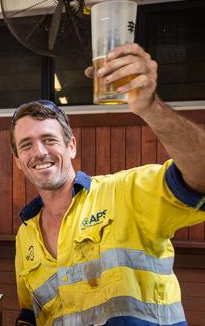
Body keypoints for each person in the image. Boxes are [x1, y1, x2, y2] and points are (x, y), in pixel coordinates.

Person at [11, 44, 205, 325]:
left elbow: (200, 176)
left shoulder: (125, 193)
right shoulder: (25, 235)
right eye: (26, 145)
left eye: (50, 140)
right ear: (18, 161)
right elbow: (32, 313)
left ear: (71, 146)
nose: (39, 152)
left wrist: (152, 108)